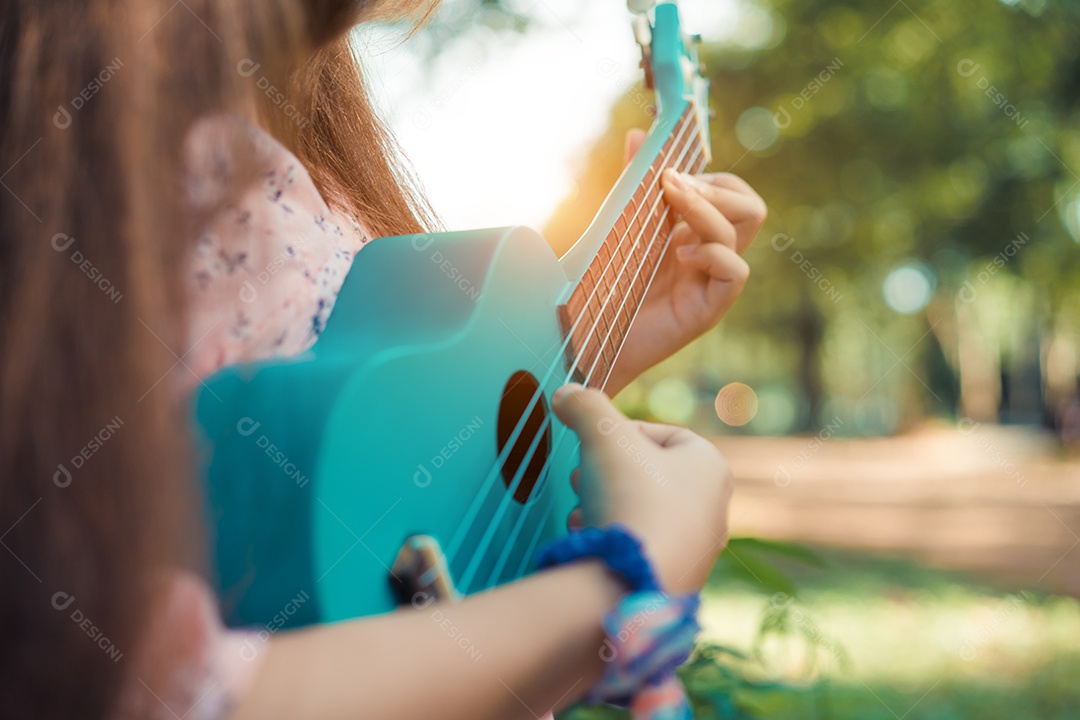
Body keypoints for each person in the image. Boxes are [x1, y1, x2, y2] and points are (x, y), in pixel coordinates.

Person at [0, 1, 765, 719]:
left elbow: (418, 572)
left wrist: (586, 357)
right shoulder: (149, 181)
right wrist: (631, 576)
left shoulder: (305, 165)